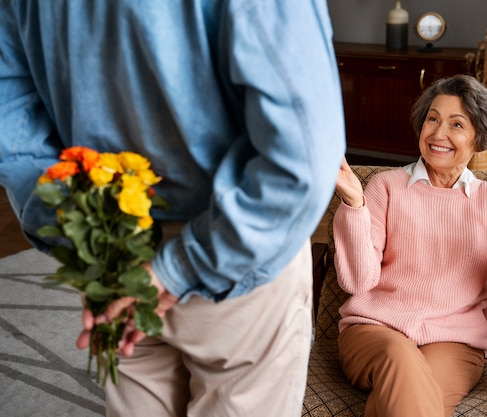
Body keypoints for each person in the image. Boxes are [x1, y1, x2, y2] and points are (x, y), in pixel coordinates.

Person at [0, 1, 345, 416]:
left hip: (113, 244)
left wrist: (81, 232)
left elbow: (10, 119)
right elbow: (302, 158)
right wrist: (175, 267)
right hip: (237, 251)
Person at [333, 74, 487, 417]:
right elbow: (357, 282)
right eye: (433, 118)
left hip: (455, 341)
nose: (438, 134)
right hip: (374, 332)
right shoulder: (384, 187)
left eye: (457, 124)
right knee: (401, 359)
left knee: (409, 403)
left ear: (480, 139)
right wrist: (355, 205)